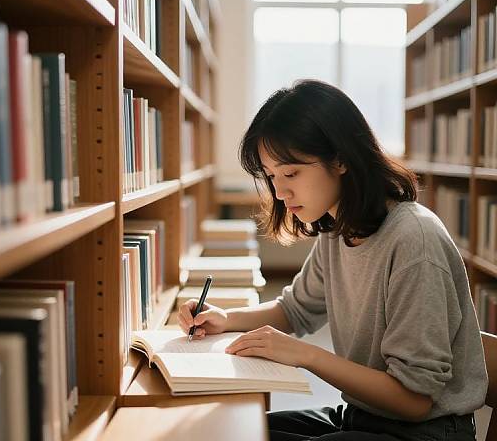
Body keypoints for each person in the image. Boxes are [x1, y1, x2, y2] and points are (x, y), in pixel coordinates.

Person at [177, 79, 488, 441]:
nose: (280, 192)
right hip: (365, 416)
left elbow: (415, 399)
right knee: (230, 430)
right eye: (272, 176)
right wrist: (227, 319)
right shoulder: (337, 228)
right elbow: (295, 310)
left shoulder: (413, 241)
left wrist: (306, 355)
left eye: (291, 173)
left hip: (423, 431)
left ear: (340, 158)